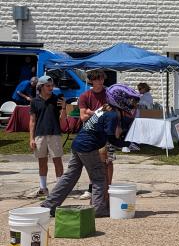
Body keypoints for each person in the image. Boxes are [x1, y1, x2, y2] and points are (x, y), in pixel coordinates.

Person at [40, 85, 140, 217]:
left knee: (70, 176)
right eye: (129, 100)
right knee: (99, 177)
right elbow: (110, 137)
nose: (131, 104)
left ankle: (49, 205)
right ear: (119, 100)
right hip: (88, 147)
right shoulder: (112, 115)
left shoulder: (105, 108)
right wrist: (127, 144)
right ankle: (98, 209)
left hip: (78, 144)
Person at [27, 76, 66, 198]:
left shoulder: (57, 99)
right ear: (41, 87)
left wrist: (64, 107)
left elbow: (63, 119)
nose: (51, 88)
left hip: (54, 133)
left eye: (52, 85)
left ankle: (60, 188)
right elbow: (32, 121)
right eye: (48, 86)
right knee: (42, 162)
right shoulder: (34, 101)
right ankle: (43, 188)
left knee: (57, 160)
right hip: (39, 134)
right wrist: (31, 138)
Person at [78, 70, 110, 200]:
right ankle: (92, 188)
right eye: (97, 79)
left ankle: (107, 187)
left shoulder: (108, 94)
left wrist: (91, 112)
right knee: (92, 162)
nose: (100, 81)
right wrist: (98, 112)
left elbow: (110, 112)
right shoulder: (85, 96)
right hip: (91, 133)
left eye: (102, 79)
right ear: (91, 80)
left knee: (108, 161)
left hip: (106, 131)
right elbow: (82, 117)